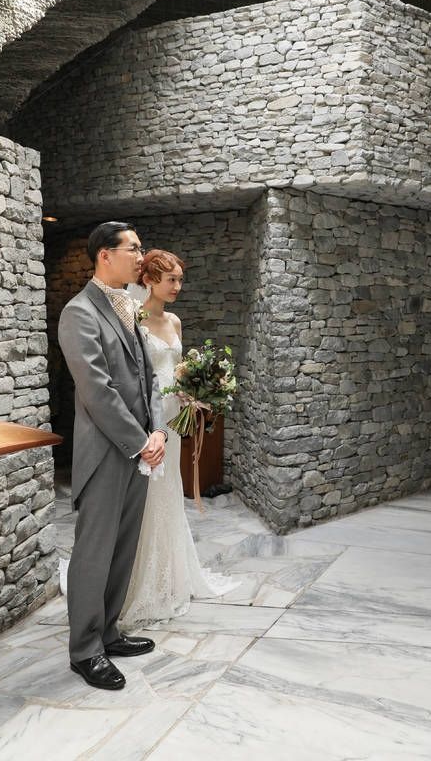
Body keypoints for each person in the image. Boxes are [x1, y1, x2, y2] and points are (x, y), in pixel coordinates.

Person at [58, 221, 167, 691]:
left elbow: (149, 379)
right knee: (94, 552)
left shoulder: (128, 306)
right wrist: (140, 440)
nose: (141, 257)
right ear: (105, 255)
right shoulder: (79, 313)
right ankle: (85, 651)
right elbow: (97, 390)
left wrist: (157, 430)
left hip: (140, 449)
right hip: (106, 452)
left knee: (123, 547)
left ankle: (108, 632)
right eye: (133, 249)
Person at [120, 249, 239, 629]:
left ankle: (172, 574)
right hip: (147, 418)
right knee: (148, 493)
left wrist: (195, 392)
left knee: (169, 489)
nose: (177, 286)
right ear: (149, 280)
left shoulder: (175, 320)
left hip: (173, 418)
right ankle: (139, 579)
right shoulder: (133, 319)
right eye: (171, 279)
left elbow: (178, 369)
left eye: (180, 280)